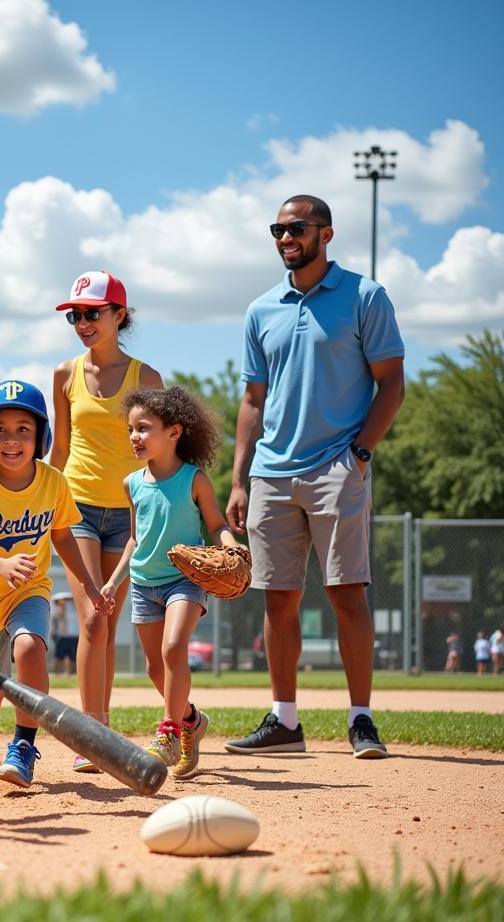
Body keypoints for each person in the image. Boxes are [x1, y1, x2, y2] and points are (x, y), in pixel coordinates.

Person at [225, 195, 406, 760]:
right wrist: (238, 479)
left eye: (296, 228)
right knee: (277, 599)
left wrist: (360, 454)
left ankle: (361, 719)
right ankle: (284, 722)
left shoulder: (365, 296)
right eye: (277, 229)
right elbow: (253, 399)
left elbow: (392, 383)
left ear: (326, 233)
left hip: (337, 467)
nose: (285, 237)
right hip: (272, 474)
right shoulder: (262, 309)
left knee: (345, 592)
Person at [0, 380, 106, 787]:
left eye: (23, 429)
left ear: (41, 437)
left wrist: (88, 584)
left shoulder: (53, 482)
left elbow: (64, 536)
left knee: (31, 647)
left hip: (28, 591)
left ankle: (23, 743)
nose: (11, 439)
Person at [50, 271, 164, 771]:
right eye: (75, 315)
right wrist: (37, 508)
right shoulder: (64, 375)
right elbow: (59, 449)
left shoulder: (148, 380)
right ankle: (92, 733)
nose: (82, 322)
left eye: (92, 313)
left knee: (108, 622)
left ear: (120, 314)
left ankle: (102, 724)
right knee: (92, 619)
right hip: (76, 510)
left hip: (129, 515)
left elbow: (159, 454)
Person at [102, 387, 238, 780]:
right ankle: (191, 721)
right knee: (154, 668)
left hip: (185, 578)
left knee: (175, 648)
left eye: (144, 428)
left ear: (174, 432)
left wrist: (229, 548)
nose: (134, 437)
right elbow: (134, 539)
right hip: (144, 582)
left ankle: (169, 732)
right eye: (131, 429)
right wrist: (113, 583)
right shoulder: (132, 484)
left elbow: (216, 525)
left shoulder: (194, 479)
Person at [51, 593, 78, 674]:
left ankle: (68, 672)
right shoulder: (59, 610)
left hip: (72, 635)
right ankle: (58, 673)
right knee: (59, 656)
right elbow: (56, 619)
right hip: (63, 636)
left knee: (69, 656)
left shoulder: (73, 610)